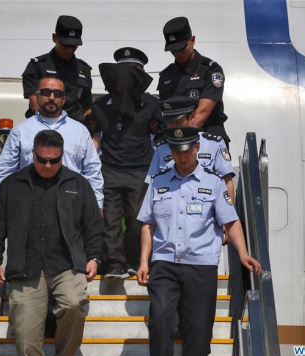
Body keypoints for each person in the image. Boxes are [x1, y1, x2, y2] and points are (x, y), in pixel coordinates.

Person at [136, 126, 261, 356]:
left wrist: (243, 253)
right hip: (164, 264)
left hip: (201, 266)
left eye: (186, 151)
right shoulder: (158, 182)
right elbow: (148, 224)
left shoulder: (214, 183)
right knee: (161, 319)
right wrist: (143, 261)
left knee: (199, 330)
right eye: (176, 151)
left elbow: (231, 221)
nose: (182, 156)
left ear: (197, 148)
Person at [0, 130, 104, 356]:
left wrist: (95, 257)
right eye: (42, 159)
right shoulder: (11, 185)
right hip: (26, 268)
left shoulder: (78, 184)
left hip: (66, 265)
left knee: (74, 304)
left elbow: (93, 227)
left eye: (55, 160)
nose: (48, 165)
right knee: (26, 337)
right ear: (32, 154)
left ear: (62, 156)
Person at [0, 74, 103, 230]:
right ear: (37, 96)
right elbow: (4, 172)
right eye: (46, 92)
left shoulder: (80, 131)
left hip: (71, 207)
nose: (52, 97)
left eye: (58, 93)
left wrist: (97, 206)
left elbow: (92, 173)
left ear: (64, 99)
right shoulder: (20, 131)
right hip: (30, 207)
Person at [86, 47, 160, 278]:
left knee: (137, 220)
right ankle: (115, 264)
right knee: (110, 221)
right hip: (109, 170)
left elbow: (162, 132)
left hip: (140, 172)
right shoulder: (102, 105)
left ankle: (132, 260)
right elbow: (89, 130)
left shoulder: (150, 104)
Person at [158, 17, 231, 148]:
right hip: (177, 143)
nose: (177, 53)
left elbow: (202, 112)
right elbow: (166, 113)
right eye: (173, 50)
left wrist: (182, 139)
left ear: (192, 40)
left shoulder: (210, 70)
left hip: (208, 139)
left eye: (181, 48)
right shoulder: (166, 76)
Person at [147, 96, 235, 203]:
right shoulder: (162, 148)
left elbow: (227, 181)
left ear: (192, 116)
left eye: (178, 121)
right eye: (170, 122)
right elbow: (152, 185)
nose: (174, 127)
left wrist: (228, 213)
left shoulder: (214, 144)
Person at [22, 15, 93, 123]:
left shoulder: (84, 69)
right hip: (42, 126)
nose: (69, 50)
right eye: (65, 45)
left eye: (73, 46)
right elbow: (35, 105)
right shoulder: (37, 66)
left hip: (73, 127)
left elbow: (86, 107)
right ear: (55, 38)